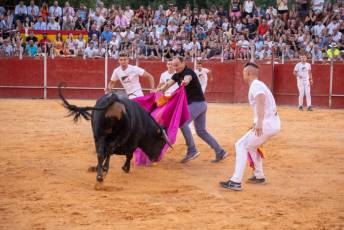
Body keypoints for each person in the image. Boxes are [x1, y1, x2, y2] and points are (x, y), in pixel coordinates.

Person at [220, 62, 281, 191]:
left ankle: (236, 181)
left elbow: (260, 100)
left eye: (243, 73)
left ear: (247, 73)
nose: (242, 75)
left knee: (240, 145)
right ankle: (259, 176)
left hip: (266, 124)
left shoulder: (255, 85)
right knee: (251, 146)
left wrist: (259, 121)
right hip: (272, 123)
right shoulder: (259, 84)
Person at [157, 56, 228, 163]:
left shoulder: (188, 72)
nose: (175, 67)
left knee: (182, 122)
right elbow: (168, 84)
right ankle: (220, 151)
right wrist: (159, 90)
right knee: (201, 131)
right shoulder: (177, 75)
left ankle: (192, 149)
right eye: (173, 65)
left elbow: (188, 78)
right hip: (201, 104)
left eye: (177, 65)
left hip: (196, 104)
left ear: (183, 63)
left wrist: (185, 82)